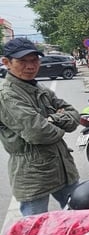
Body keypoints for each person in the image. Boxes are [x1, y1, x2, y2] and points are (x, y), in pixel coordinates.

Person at [0, 38, 80, 216]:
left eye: (34, 60)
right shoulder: (7, 95)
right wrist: (57, 121)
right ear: (7, 63)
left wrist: (49, 119)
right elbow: (38, 132)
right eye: (22, 61)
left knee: (78, 217)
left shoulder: (38, 88)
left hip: (62, 167)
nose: (30, 66)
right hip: (32, 174)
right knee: (35, 229)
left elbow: (74, 116)